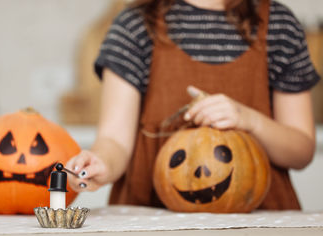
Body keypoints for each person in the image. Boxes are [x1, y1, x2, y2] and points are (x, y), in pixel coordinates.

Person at [66, 0, 320, 210]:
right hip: (153, 221)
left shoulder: (280, 25)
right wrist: (101, 163)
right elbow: (114, 140)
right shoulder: (134, 26)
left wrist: (249, 120)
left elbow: (301, 151)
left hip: (260, 222)